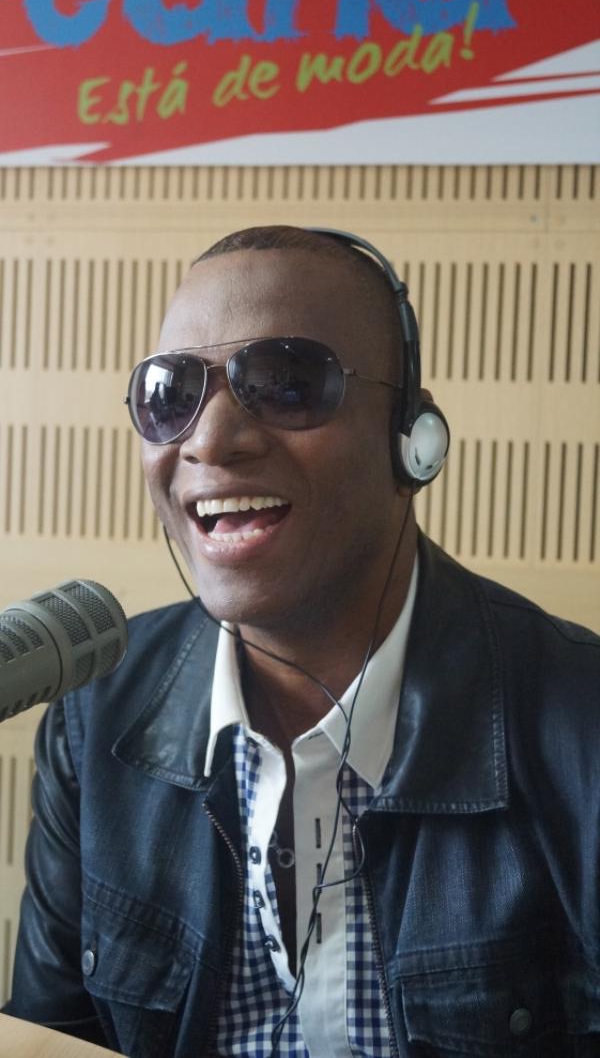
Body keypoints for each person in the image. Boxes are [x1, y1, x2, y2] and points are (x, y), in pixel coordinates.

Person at [5, 226, 599, 1057]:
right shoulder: (91, 710)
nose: (209, 439)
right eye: (170, 393)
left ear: (412, 439)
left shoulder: (581, 725)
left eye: (285, 383)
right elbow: (49, 1039)